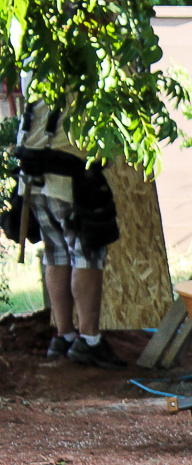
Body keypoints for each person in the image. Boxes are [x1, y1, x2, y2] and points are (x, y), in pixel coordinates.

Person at [16, 96, 125, 368]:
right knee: (86, 254)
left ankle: (63, 336)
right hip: (67, 177)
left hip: (34, 176)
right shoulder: (81, 63)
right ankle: (89, 340)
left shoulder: (38, 58)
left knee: (56, 253)